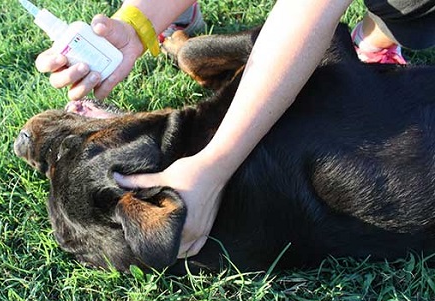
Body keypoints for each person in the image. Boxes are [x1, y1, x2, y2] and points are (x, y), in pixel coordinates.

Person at [35, 0, 435, 259]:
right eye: (78, 144)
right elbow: (319, 32)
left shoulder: (245, 226)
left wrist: (216, 163)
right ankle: (382, 32)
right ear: (146, 197)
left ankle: (385, 30)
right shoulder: (292, 154)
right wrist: (137, 28)